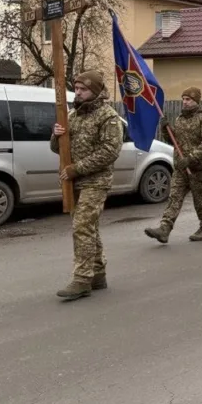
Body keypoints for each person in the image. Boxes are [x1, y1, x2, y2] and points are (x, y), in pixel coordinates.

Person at [51, 71, 124, 301]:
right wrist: (56, 135)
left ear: (95, 90)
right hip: (75, 181)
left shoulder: (108, 117)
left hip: (96, 181)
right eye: (77, 88)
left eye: (83, 89)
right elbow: (58, 148)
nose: (78, 92)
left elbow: (109, 152)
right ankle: (98, 274)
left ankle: (82, 279)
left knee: (82, 225)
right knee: (88, 227)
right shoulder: (72, 116)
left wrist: (77, 168)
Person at [144, 87, 202, 244]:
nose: (185, 102)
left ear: (196, 101)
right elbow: (174, 141)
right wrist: (166, 130)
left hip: (197, 168)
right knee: (174, 197)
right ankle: (165, 229)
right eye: (183, 99)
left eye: (188, 99)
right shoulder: (180, 119)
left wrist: (191, 158)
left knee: (200, 199)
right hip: (180, 167)